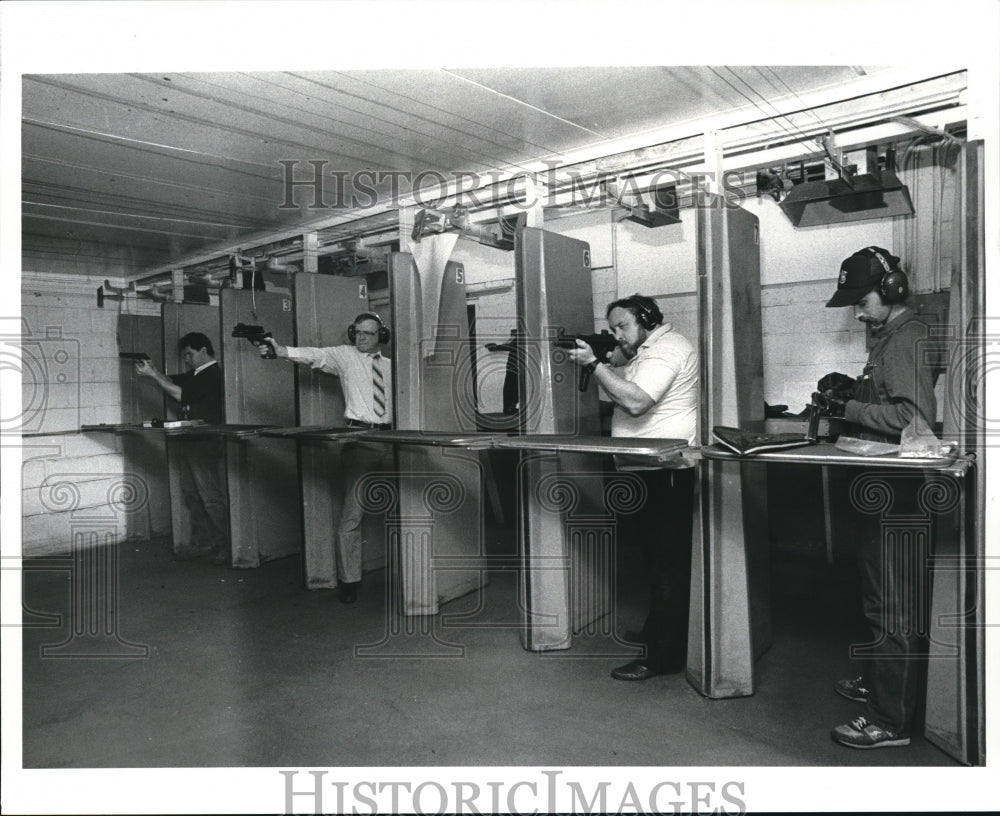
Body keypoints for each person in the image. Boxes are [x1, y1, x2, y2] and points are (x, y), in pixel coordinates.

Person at [815, 245, 938, 749]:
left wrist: (850, 408)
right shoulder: (885, 337)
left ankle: (889, 720)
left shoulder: (907, 338)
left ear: (891, 290)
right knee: (877, 599)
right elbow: (886, 402)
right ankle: (882, 684)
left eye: (861, 299)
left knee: (893, 608)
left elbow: (915, 421)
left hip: (896, 494)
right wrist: (854, 393)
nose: (856, 310)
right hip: (877, 488)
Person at [567, 293, 698, 681]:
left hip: (666, 470)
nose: (618, 335)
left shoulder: (666, 349)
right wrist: (613, 362)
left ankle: (663, 657)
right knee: (656, 562)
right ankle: (658, 634)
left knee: (667, 566)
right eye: (612, 329)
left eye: (622, 326)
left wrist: (595, 364)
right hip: (648, 469)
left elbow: (637, 402)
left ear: (647, 319)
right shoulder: (646, 352)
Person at [262, 312, 393, 604]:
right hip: (361, 441)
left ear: (380, 337)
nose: (361, 337)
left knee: (409, 507)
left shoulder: (393, 366)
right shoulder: (345, 357)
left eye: (368, 333)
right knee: (352, 515)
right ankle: (350, 581)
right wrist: (281, 351)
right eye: (357, 332)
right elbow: (313, 355)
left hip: (394, 439)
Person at [136, 332, 229, 565]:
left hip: (204, 442)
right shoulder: (197, 374)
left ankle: (227, 545)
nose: (186, 359)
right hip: (191, 441)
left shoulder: (212, 374)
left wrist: (152, 376)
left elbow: (180, 393)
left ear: (203, 351)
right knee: (192, 496)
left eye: (190, 354)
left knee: (210, 498)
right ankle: (205, 542)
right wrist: (154, 371)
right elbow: (175, 381)